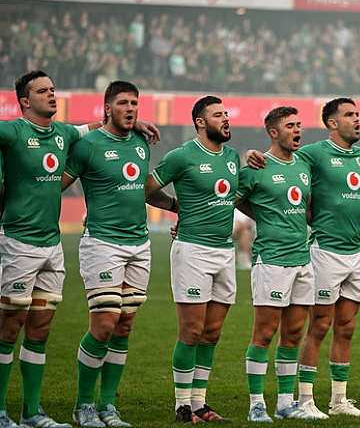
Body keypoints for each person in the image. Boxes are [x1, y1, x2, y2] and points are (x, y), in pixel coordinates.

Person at [0, 70, 158, 428]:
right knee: (9, 328)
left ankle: (32, 412)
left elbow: (92, 126)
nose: (52, 95)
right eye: (43, 91)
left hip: (52, 245)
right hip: (18, 241)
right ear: (25, 101)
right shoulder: (13, 130)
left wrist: (136, 120)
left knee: (40, 329)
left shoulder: (64, 134)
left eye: (53, 89)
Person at [245, 98, 360, 418]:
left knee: (343, 327)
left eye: (358, 114)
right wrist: (251, 155)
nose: (357, 120)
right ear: (332, 123)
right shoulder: (310, 155)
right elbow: (265, 171)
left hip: (353, 252)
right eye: (349, 115)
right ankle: (292, 399)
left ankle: (336, 400)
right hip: (319, 252)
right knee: (313, 327)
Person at [62, 81, 176, 427]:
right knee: (104, 323)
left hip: (139, 245)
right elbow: (56, 185)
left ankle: (108, 406)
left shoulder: (142, 144)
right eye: (123, 103)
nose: (131, 109)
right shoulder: (87, 145)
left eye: (135, 104)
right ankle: (83, 406)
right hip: (102, 244)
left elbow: (142, 191)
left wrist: (174, 207)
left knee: (124, 326)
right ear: (107, 107)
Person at [145, 96, 239, 423]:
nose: (225, 119)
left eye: (226, 114)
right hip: (192, 251)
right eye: (218, 115)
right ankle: (182, 406)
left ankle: (200, 403)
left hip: (225, 252)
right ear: (201, 122)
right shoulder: (181, 156)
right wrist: (174, 207)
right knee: (191, 330)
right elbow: (146, 188)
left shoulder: (232, 157)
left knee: (212, 332)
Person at [237, 107, 318, 422]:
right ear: (273, 132)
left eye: (299, 124)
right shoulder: (257, 167)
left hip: (302, 257)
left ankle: (286, 403)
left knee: (294, 333)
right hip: (271, 259)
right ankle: (256, 403)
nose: (297, 129)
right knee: (265, 333)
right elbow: (234, 198)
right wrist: (261, 213)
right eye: (290, 125)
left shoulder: (303, 165)